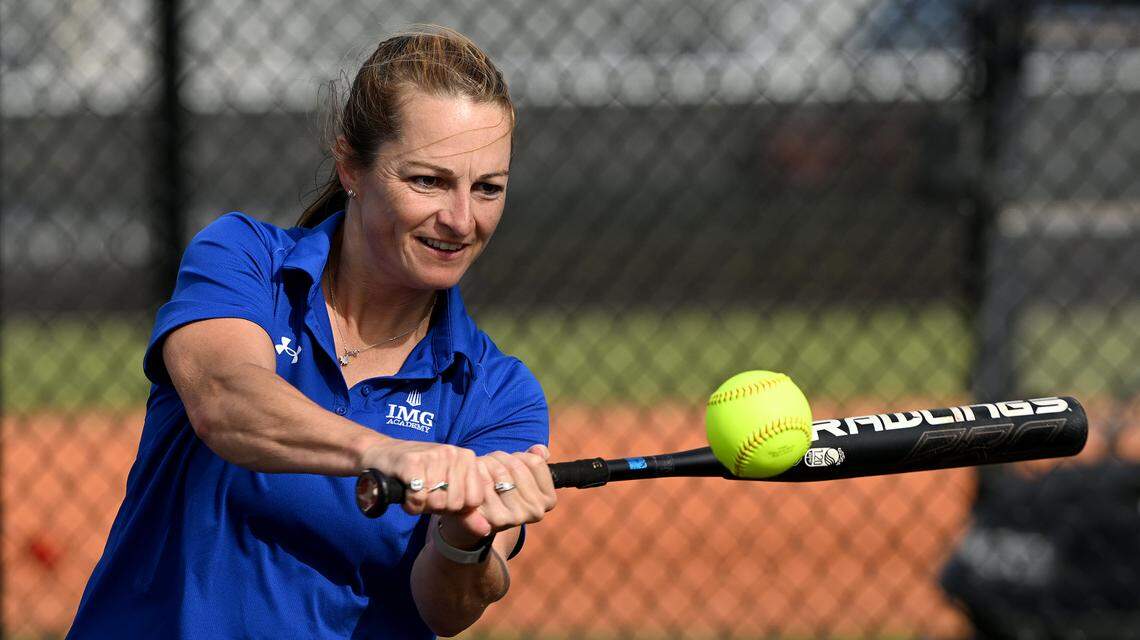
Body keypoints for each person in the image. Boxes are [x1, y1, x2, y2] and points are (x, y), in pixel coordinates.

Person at [68, 26, 556, 639]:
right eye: (427, 181)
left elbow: (447, 609)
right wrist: (385, 452)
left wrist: (465, 539)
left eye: (488, 189)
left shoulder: (499, 393)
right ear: (351, 164)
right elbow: (225, 401)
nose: (462, 220)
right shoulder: (245, 259)